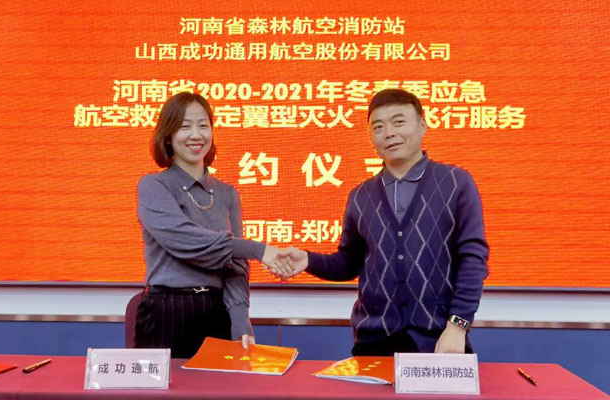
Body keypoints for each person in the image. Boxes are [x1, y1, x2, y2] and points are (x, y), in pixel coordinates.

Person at [279, 89, 489, 355]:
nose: (388, 133)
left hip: (440, 341)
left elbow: (473, 259)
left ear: (423, 125)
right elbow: (349, 263)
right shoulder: (360, 195)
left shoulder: (456, 182)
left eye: (398, 122)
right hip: (373, 341)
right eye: (378, 127)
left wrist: (458, 326)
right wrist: (308, 260)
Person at [134, 92, 292, 358]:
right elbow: (186, 241)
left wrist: (240, 319)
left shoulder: (227, 193)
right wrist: (260, 250)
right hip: (166, 310)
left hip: (217, 312)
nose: (196, 135)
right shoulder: (154, 185)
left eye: (203, 125)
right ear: (168, 135)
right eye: (185, 126)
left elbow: (236, 265)